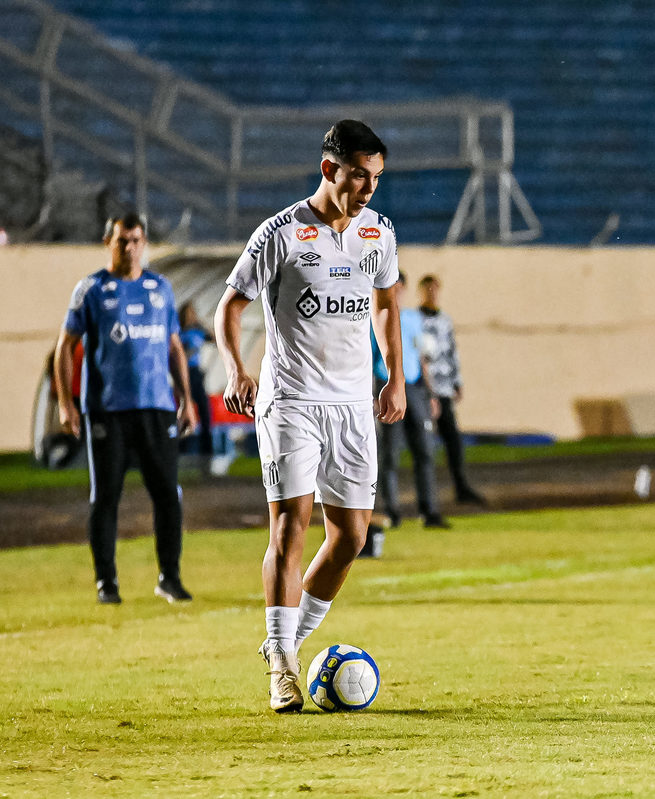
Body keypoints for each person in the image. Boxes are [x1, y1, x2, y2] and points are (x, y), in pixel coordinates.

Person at [214, 120, 406, 713]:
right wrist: (237, 370)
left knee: (351, 535)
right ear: (329, 170)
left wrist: (394, 377)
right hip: (291, 399)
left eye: (376, 177)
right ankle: (283, 667)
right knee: (291, 522)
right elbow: (230, 307)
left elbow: (386, 306)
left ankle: (285, 645)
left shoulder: (379, 233)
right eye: (358, 176)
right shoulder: (281, 234)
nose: (369, 188)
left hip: (351, 406)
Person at [53, 213, 197, 605]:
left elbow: (173, 347)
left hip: (157, 408)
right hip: (107, 411)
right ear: (108, 243)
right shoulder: (92, 290)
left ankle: (170, 577)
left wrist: (186, 399)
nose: (129, 247)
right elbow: (66, 347)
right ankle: (107, 583)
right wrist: (67, 403)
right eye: (121, 240)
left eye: (135, 240)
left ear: (144, 242)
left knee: (168, 494)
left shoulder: (160, 289)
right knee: (106, 498)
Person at [372, 272, 451, 530]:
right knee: (390, 454)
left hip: (414, 388)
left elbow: (421, 357)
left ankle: (429, 510)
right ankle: (392, 510)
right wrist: (373, 394)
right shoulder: (375, 318)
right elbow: (369, 359)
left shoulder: (412, 318)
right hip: (387, 387)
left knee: (425, 451)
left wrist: (431, 395)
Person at [417, 274, 486, 505]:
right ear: (422, 291)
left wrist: (458, 381)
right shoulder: (415, 319)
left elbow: (452, 351)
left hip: (444, 388)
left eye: (435, 289)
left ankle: (461, 486)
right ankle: (424, 496)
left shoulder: (445, 320)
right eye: (428, 289)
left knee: (453, 439)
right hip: (423, 390)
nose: (432, 293)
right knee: (421, 442)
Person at [177, 302, 214, 457]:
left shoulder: (198, 332)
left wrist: (201, 323)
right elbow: (177, 354)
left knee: (204, 410)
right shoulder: (180, 332)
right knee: (185, 408)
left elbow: (214, 338)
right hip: (184, 374)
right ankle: (182, 447)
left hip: (197, 374)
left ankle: (207, 450)